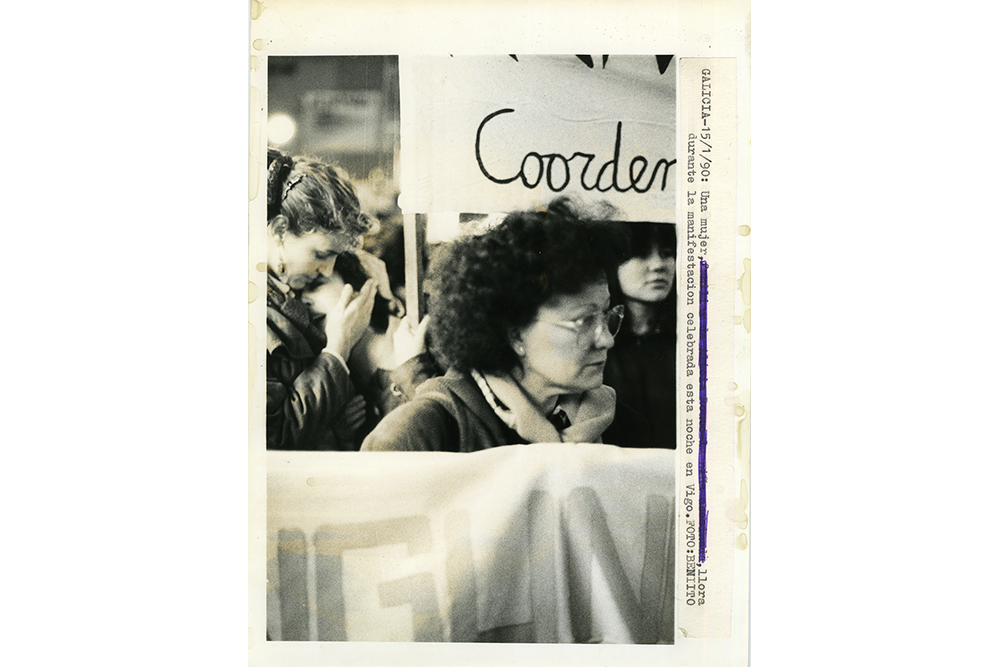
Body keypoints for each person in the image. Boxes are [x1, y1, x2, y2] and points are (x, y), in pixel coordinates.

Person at [361, 198, 654, 452]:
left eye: (607, 315)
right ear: (513, 334)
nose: (606, 339)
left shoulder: (624, 427)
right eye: (583, 321)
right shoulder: (423, 432)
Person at [265, 149, 377, 451]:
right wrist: (338, 348)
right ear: (279, 230)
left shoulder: (286, 292)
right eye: (320, 253)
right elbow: (273, 434)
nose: (327, 270)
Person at [604, 222, 677, 449]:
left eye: (667, 253)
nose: (658, 265)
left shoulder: (688, 344)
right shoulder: (599, 346)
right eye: (641, 253)